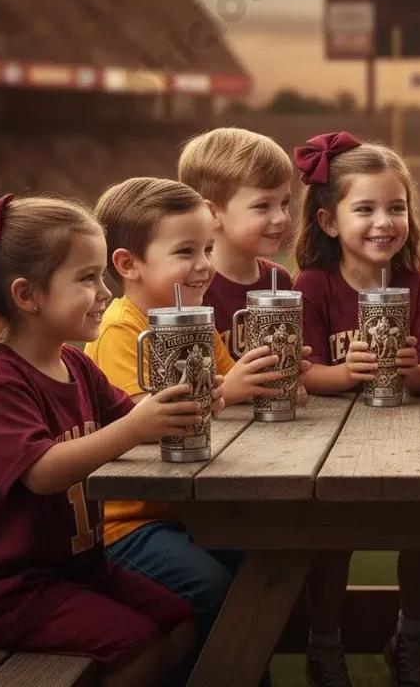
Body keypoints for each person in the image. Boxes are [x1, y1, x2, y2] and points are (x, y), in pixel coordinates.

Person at [0, 194, 202, 687]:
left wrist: (183, 402)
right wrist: (132, 429)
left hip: (81, 568)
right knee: (138, 647)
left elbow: (135, 419)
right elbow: (40, 473)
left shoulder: (76, 363)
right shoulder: (1, 381)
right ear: (27, 295)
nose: (106, 292)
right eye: (86, 278)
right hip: (12, 590)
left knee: (179, 620)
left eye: (102, 275)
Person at [85, 177, 309, 678]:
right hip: (130, 520)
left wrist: (275, 377)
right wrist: (233, 390)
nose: (205, 264)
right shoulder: (122, 328)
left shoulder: (196, 318)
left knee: (265, 568)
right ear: (128, 264)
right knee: (212, 587)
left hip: (189, 507)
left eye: (207, 247)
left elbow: (232, 379)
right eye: (186, 251)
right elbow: (149, 416)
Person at [293, 132, 420, 687]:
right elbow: (302, 373)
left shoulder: (418, 287)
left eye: (396, 207)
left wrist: (411, 371)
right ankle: (324, 643)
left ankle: (410, 636)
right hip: (329, 443)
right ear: (329, 222)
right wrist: (346, 374)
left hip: (406, 435)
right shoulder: (312, 286)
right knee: (333, 537)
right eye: (364, 208)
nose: (384, 220)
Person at [177, 126, 294, 348]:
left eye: (284, 203)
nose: (281, 217)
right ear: (210, 213)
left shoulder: (279, 280)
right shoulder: (194, 286)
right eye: (262, 206)